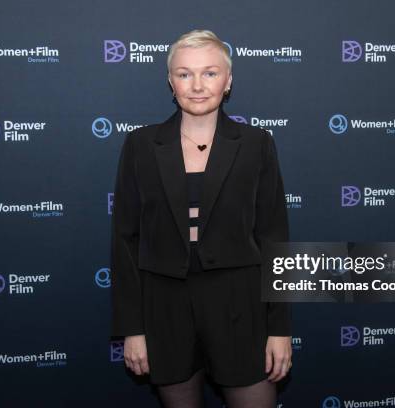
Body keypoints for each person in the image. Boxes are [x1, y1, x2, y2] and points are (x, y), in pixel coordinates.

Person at [110, 29, 292, 408]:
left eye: (209, 73)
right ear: (170, 81)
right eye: (184, 73)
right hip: (165, 311)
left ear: (228, 81)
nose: (196, 85)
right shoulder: (141, 145)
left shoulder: (258, 144)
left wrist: (279, 330)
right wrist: (133, 329)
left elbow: (275, 238)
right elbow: (125, 240)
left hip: (240, 308)